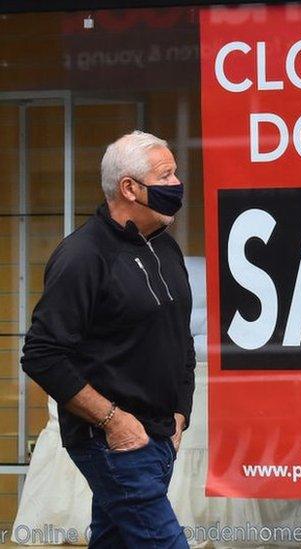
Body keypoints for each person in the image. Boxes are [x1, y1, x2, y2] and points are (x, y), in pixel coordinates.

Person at [21, 130, 195, 548]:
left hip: (158, 438)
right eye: (165, 175)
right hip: (115, 442)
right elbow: (42, 354)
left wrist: (180, 414)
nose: (176, 185)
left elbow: (178, 336)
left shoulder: (165, 248)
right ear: (130, 188)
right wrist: (114, 422)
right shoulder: (83, 256)